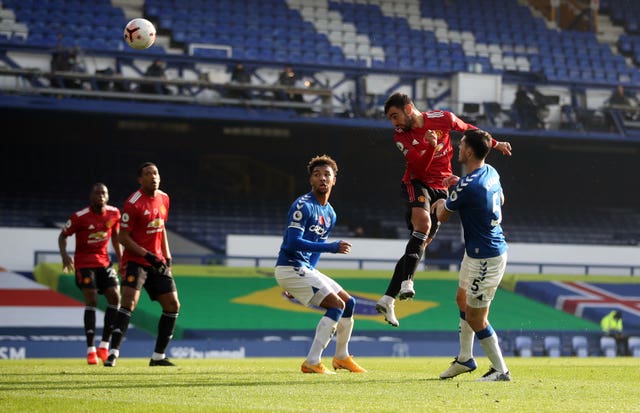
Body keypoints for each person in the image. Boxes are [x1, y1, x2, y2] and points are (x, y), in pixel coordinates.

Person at [375, 92, 512, 328]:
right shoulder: (400, 136)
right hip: (416, 183)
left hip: (442, 185)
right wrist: (432, 147)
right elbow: (418, 166)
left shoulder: (442, 118)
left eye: (395, 116)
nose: (394, 122)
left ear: (409, 109)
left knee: (419, 246)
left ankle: (388, 298)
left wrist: (495, 143)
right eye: (390, 118)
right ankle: (408, 281)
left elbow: (468, 129)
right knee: (423, 224)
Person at [274, 155, 366, 374]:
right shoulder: (302, 206)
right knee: (336, 305)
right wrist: (332, 247)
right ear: (311, 181)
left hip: (304, 268)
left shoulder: (330, 213)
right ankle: (312, 362)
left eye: (327, 175)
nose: (322, 178)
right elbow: (292, 242)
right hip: (289, 266)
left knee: (348, 302)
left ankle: (342, 357)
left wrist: (308, 275)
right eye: (317, 175)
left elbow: (315, 246)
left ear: (334, 180)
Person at [432, 128, 511, 381]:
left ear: (468, 150)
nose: (458, 148)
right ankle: (465, 359)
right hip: (478, 252)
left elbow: (443, 215)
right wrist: (460, 188)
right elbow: (502, 199)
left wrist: (441, 201)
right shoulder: (490, 173)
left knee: (477, 318)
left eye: (461, 144)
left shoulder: (468, 185)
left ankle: (501, 370)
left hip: (486, 257)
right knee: (462, 299)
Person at [104, 162, 180, 367]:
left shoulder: (164, 198)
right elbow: (123, 238)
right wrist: (148, 255)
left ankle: (158, 357)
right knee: (129, 303)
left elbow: (161, 227)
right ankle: (113, 353)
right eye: (148, 174)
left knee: (173, 304)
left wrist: (167, 255)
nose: (153, 176)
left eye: (156, 172)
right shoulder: (133, 203)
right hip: (136, 261)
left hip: (157, 260)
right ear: (140, 180)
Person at [57, 183, 122, 365]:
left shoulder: (114, 213)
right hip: (85, 264)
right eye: (97, 193)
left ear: (107, 197)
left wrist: (121, 257)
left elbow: (116, 236)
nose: (100, 196)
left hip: (104, 262)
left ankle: (104, 345)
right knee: (91, 299)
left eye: (104, 193)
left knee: (115, 298)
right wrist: (64, 256)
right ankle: (90, 350)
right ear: (90, 196)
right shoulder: (80, 217)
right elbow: (63, 236)